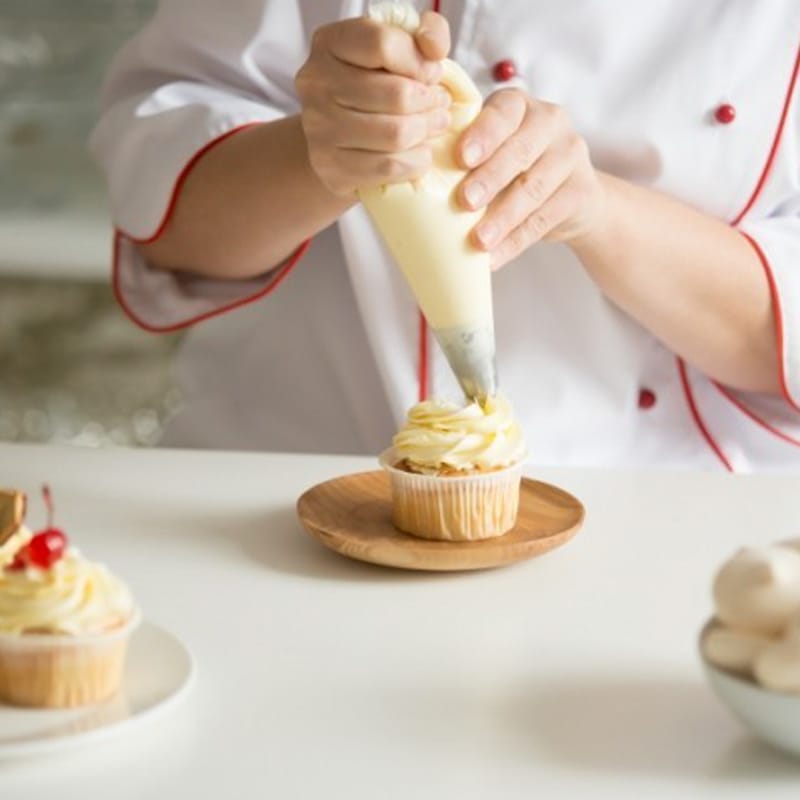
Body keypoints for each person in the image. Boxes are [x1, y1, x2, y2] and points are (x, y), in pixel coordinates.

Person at [91, 0, 800, 472]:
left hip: (651, 505)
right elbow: (172, 233)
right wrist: (322, 150)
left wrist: (597, 212)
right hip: (290, 478)